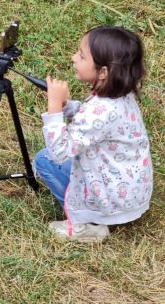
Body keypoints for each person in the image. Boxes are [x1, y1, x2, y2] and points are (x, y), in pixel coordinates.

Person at [34, 26, 152, 243]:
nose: (73, 58)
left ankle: (87, 225)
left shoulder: (101, 110)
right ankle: (101, 216)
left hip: (111, 199)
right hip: (130, 192)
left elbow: (60, 151)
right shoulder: (121, 97)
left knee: (44, 160)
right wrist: (67, 106)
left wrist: (54, 108)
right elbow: (95, 124)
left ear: (103, 72)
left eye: (81, 55)